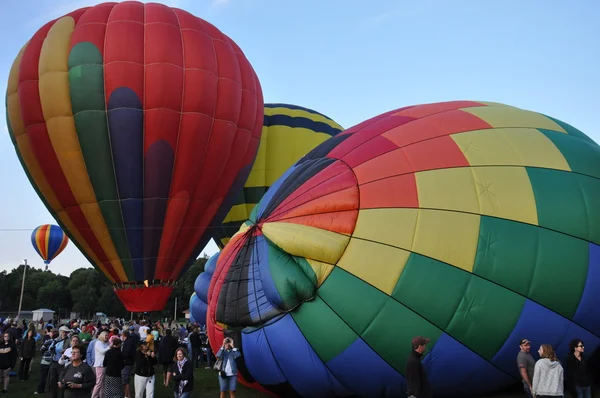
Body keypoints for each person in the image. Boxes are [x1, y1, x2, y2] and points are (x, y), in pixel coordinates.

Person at [91, 331, 110, 398]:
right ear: (102, 336)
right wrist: (110, 347)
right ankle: (94, 396)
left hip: (104, 364)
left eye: (108, 335)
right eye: (106, 335)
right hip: (100, 365)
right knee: (99, 383)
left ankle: (101, 396)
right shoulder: (98, 343)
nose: (107, 337)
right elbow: (102, 351)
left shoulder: (106, 343)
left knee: (103, 383)